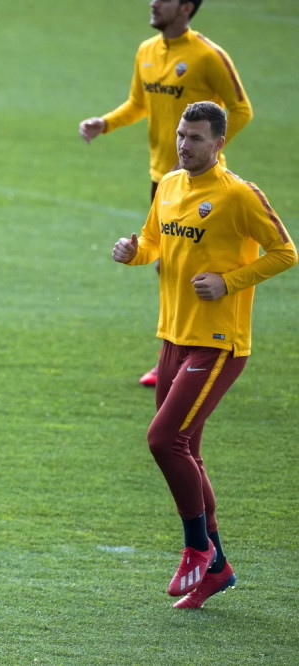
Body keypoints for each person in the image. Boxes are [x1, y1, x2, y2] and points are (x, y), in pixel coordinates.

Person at [111, 102, 295, 609]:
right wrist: (134, 252)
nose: (183, 145)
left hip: (217, 344)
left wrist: (229, 281)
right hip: (172, 336)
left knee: (165, 439)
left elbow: (286, 252)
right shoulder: (169, 185)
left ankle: (196, 548)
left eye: (195, 138)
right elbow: (153, 241)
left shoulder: (238, 195)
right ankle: (217, 568)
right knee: (186, 448)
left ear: (219, 144)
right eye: (180, 135)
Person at [79, 0, 253, 387]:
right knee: (166, 264)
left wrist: (207, 152)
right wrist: (104, 123)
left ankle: (193, 357)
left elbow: (241, 109)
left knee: (182, 266)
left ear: (186, 7)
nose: (154, 2)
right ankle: (177, 358)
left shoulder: (208, 56)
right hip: (163, 177)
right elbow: (139, 103)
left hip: (199, 180)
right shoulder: (147, 51)